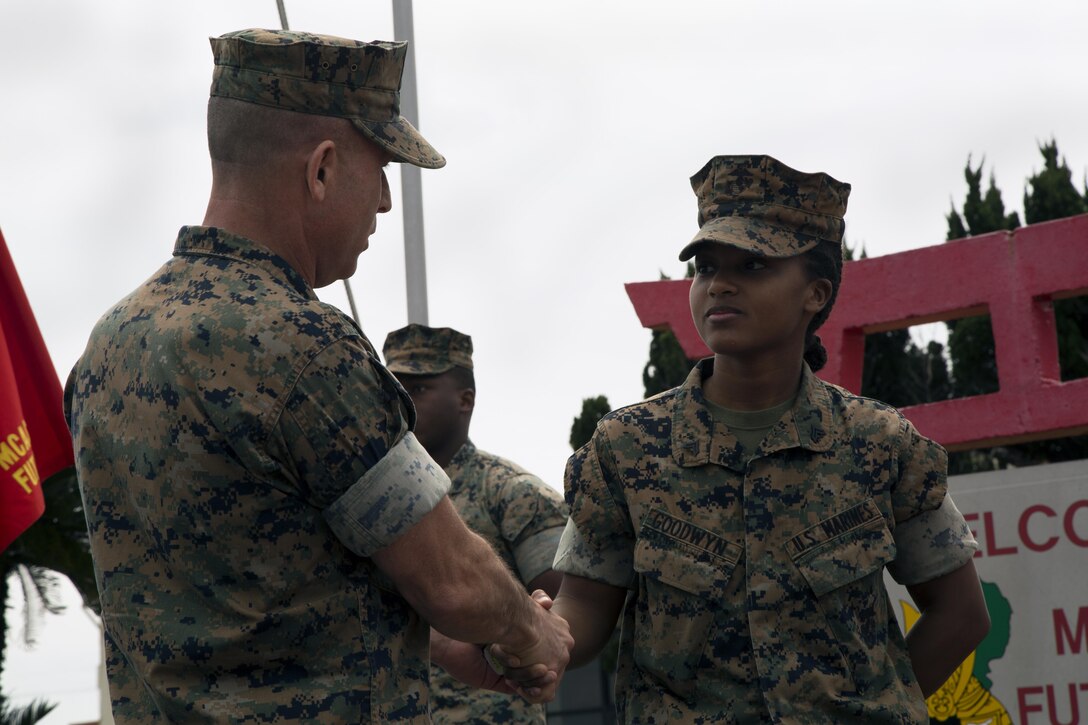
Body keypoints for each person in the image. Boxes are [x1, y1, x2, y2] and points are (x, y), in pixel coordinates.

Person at [63, 28, 571, 723]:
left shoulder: (107, 347)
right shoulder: (303, 347)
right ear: (322, 169)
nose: (387, 202)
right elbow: (451, 577)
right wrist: (530, 630)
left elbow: (249, 599)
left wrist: (446, 650)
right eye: (380, 167)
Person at [501, 155, 990, 722]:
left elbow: (961, 614)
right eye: (706, 267)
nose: (720, 285)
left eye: (754, 265)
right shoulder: (627, 447)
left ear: (816, 293)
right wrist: (535, 633)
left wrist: (880, 708)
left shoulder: (878, 442)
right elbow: (583, 607)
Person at [383, 324, 568, 724]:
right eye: (394, 388)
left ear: (465, 399)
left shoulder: (511, 492)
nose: (401, 402)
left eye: (418, 389)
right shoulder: (372, 497)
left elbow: (564, 620)